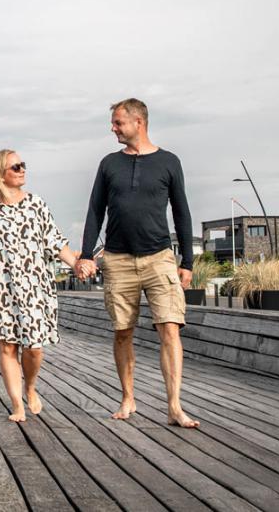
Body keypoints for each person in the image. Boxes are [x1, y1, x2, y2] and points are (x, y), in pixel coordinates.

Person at [75, 98, 199, 428]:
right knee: (122, 332)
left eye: (118, 123)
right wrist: (86, 254)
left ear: (138, 123)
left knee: (170, 329)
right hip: (117, 259)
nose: (113, 128)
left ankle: (174, 406)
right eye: (113, 123)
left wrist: (187, 261)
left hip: (160, 258)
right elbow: (94, 211)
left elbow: (182, 212)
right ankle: (128, 397)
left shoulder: (169, 162)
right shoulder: (108, 164)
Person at [0, 149, 80, 422]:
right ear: (0, 174)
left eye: (22, 165)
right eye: (15, 166)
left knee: (34, 347)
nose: (22, 169)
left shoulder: (36, 204)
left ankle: (29, 386)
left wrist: (76, 263)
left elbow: (55, 241)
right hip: (0, 288)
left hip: (35, 288)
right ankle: (16, 404)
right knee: (7, 347)